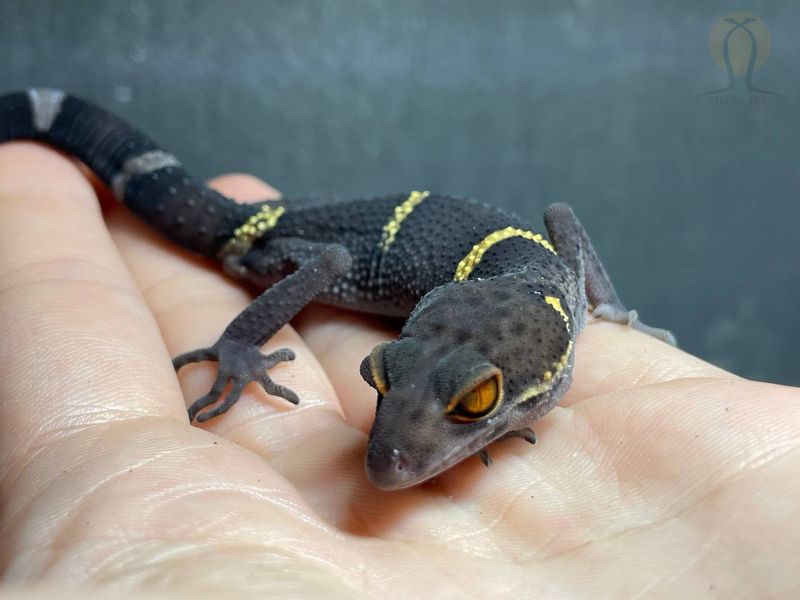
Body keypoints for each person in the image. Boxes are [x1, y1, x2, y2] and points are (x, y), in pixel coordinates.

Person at [0, 141, 797, 598]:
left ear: (544, 383)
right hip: (292, 238)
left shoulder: (553, 310)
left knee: (342, 254)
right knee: (335, 259)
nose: (389, 455)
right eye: (385, 375)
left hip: (373, 235)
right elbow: (558, 223)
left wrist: (607, 304)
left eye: (476, 403)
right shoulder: (543, 298)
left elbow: (561, 219)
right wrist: (241, 341)